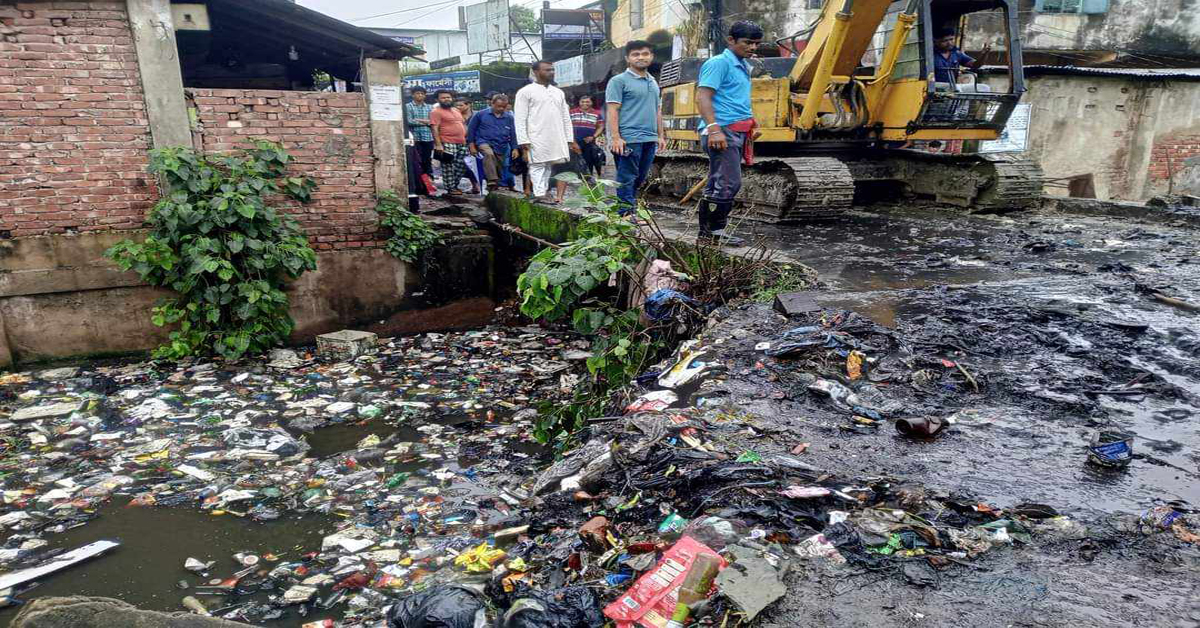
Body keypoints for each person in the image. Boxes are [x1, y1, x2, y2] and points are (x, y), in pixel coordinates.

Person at [695, 21, 764, 246]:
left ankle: (711, 232)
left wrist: (751, 124)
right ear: (731, 40)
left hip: (736, 130)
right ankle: (711, 233)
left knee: (722, 181)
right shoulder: (719, 63)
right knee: (727, 183)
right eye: (747, 43)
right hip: (721, 130)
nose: (753, 47)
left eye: (756, 43)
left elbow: (736, 99)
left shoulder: (742, 65)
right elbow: (703, 96)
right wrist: (714, 129)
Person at [605, 40, 664, 216]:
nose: (641, 57)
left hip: (650, 138)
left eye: (645, 54)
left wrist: (660, 135)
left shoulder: (653, 82)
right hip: (629, 139)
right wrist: (616, 138)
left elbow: (657, 110)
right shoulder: (618, 81)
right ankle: (626, 215)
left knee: (640, 178)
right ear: (628, 58)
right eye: (635, 54)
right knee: (627, 178)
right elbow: (612, 110)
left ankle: (628, 210)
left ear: (651, 57)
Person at [514, 60, 576, 201]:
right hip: (536, 135)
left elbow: (566, 117)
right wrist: (523, 140)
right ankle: (539, 192)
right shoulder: (525, 92)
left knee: (549, 164)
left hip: (556, 135)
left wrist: (569, 138)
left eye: (552, 70)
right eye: (547, 70)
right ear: (536, 72)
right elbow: (520, 118)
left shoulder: (558, 92)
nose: (551, 72)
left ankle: (542, 191)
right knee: (537, 164)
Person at [551, 94, 603, 203]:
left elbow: (601, 126)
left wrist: (593, 136)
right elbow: (565, 127)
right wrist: (572, 142)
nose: (585, 104)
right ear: (579, 103)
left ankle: (591, 200)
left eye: (587, 102)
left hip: (588, 145)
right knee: (563, 169)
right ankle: (559, 197)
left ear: (591, 103)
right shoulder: (572, 112)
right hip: (571, 145)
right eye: (582, 102)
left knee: (587, 172)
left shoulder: (597, 114)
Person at [467, 93, 519, 191]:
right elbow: (471, 130)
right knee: (489, 154)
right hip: (483, 141)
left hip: (501, 144)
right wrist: (471, 145)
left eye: (503, 107)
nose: (501, 109)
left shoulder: (509, 117)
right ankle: (491, 180)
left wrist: (515, 148)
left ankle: (493, 185)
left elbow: (513, 134)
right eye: (499, 106)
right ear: (492, 103)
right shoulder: (481, 114)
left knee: (499, 166)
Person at [430, 89, 469, 196]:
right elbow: (434, 128)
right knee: (448, 166)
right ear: (437, 100)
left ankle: (455, 185)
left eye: (448, 97)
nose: (446, 99)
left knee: (462, 165)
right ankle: (450, 188)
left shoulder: (456, 110)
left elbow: (462, 124)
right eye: (443, 97)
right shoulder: (436, 112)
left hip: (462, 142)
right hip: (447, 142)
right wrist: (438, 144)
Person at [405, 87, 435, 194]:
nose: (420, 96)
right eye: (417, 93)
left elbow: (433, 121)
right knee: (417, 161)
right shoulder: (408, 107)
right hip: (415, 138)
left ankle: (428, 185)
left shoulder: (430, 107)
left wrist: (420, 120)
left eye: (422, 94)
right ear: (413, 95)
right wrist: (426, 122)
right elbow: (409, 121)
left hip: (428, 137)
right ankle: (419, 185)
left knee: (427, 161)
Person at [454, 98, 482, 194]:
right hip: (460, 142)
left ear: (468, 105)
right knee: (464, 165)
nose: (458, 107)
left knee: (475, 165)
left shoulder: (477, 115)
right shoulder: (455, 115)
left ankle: (478, 185)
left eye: (461, 105)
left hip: (475, 142)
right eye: (456, 105)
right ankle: (474, 185)